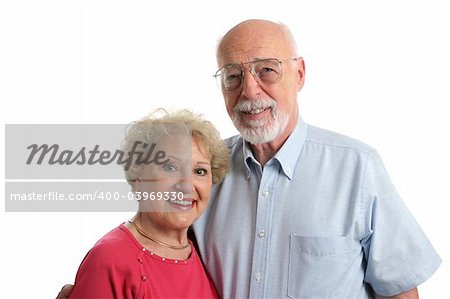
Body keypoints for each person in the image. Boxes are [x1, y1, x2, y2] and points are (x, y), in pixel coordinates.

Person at [58, 19, 441, 298]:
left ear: (300, 73)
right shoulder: (207, 171)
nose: (250, 90)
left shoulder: (357, 167)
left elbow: (399, 291)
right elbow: (155, 248)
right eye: (233, 76)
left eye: (267, 70)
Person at [67, 109, 230, 298]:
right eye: (170, 167)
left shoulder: (205, 255)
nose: (186, 185)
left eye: (200, 171)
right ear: (138, 176)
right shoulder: (109, 259)